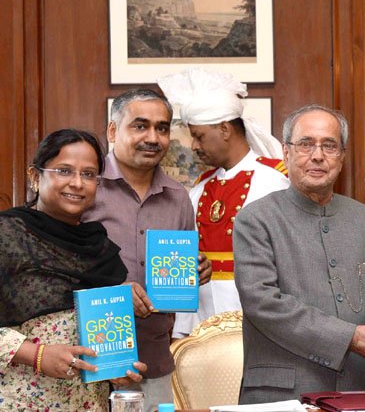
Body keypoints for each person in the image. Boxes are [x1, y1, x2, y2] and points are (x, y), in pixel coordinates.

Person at [233, 105, 365, 403]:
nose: (318, 155)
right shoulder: (255, 219)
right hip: (280, 394)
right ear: (286, 152)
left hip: (356, 391)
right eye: (306, 144)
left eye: (329, 145)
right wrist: (347, 337)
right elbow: (263, 303)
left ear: (342, 156)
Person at [83, 89, 211, 412]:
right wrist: (111, 289)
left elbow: (182, 268)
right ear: (113, 131)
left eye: (162, 128)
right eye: (140, 126)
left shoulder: (179, 196)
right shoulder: (85, 186)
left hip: (154, 363)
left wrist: (197, 272)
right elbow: (58, 269)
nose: (153, 137)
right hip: (90, 362)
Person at [0, 129, 146, 410]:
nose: (77, 183)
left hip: (89, 403)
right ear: (34, 176)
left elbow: (100, 340)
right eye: (64, 171)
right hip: (20, 401)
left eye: (89, 174)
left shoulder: (100, 248)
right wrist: (36, 355)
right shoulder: (8, 234)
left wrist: (116, 370)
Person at [158, 68, 289, 338]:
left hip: (257, 320)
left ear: (225, 129)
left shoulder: (275, 181)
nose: (193, 146)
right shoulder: (199, 189)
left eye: (199, 136)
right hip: (202, 323)